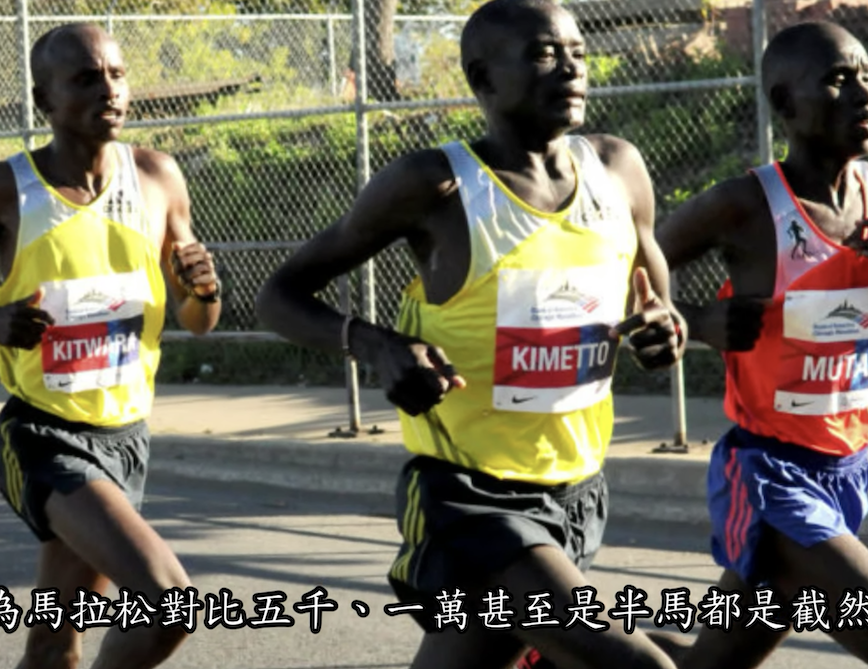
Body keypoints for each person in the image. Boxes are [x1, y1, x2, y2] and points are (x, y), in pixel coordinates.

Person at [255, 1, 689, 667]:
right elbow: (279, 295)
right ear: (483, 78)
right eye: (543, 54)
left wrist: (663, 332)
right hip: (472, 496)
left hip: (578, 487)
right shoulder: (435, 185)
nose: (571, 68)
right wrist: (376, 344)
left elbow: (656, 305)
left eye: (577, 52)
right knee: (635, 663)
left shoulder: (618, 169)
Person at [656, 21, 868, 669]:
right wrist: (696, 321)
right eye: (838, 80)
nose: (865, 94)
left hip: (847, 472)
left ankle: (563, 658)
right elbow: (619, 280)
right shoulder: (745, 206)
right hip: (769, 475)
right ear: (785, 102)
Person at [0, 23, 220, 669]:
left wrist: (204, 288)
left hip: (126, 437)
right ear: (44, 100)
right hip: (43, 436)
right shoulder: (3, 187)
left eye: (117, 75)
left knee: (54, 648)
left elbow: (199, 321)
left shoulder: (158, 176)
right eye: (86, 78)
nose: (109, 91)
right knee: (169, 601)